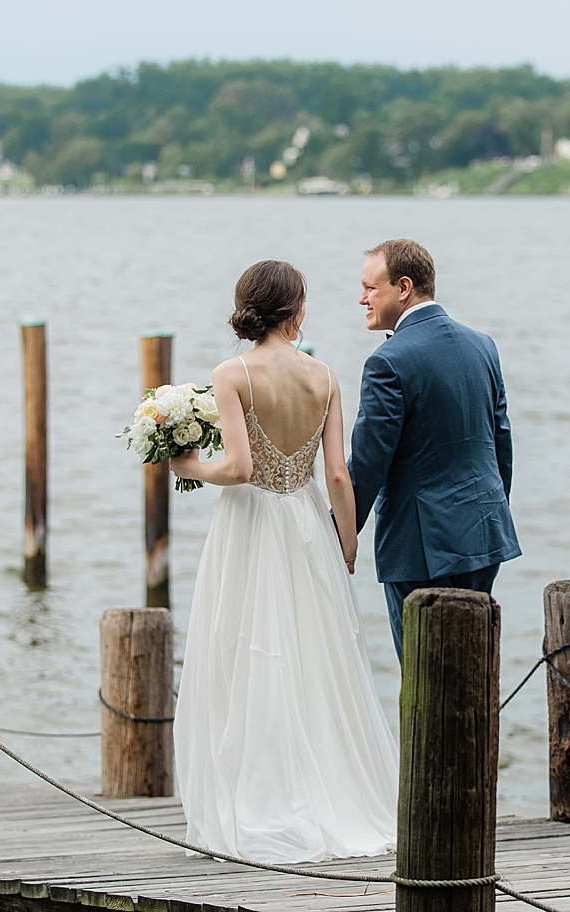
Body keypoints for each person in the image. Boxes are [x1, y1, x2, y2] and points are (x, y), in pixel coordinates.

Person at [170, 260, 398, 864]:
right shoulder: (323, 376)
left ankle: (262, 795)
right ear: (296, 309)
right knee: (314, 657)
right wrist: (346, 544)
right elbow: (339, 474)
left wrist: (188, 467)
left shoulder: (234, 373)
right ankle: (330, 792)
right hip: (307, 526)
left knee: (244, 653)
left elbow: (241, 469)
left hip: (250, 525)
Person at [349, 238, 521, 658]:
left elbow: (369, 463)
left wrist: (337, 533)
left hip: (420, 547)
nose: (361, 298)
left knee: (424, 675)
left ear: (403, 287)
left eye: (371, 288)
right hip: (483, 534)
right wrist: (489, 511)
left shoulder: (387, 362)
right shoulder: (483, 345)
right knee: (472, 668)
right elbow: (501, 442)